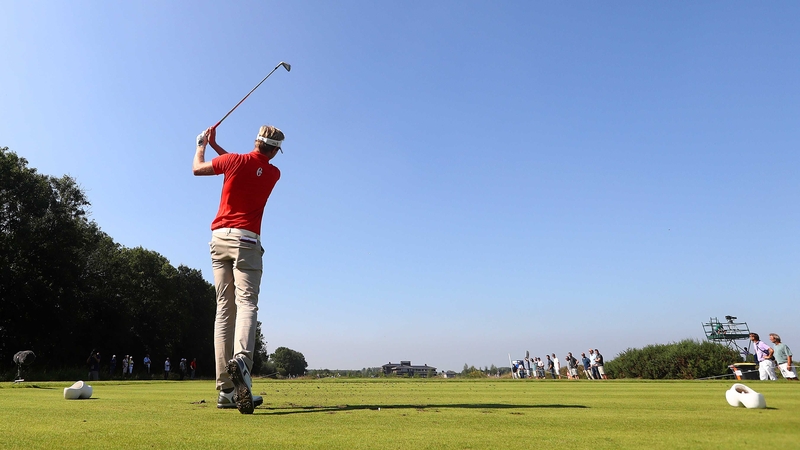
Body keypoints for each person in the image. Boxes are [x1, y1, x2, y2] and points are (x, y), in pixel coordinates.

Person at [193, 125, 283, 414]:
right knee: (247, 304)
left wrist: (202, 145)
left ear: (256, 141)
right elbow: (241, 164)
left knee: (224, 309)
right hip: (247, 241)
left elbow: (199, 168)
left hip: (219, 240)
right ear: (273, 151)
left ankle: (226, 391)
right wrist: (218, 147)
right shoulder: (273, 173)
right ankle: (242, 362)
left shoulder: (233, 162)